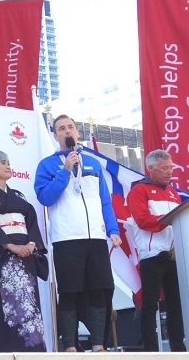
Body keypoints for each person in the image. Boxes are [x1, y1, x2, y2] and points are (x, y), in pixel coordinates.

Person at [34, 114, 121, 353]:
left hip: (96, 237)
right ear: (55, 136)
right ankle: (70, 345)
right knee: (69, 292)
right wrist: (65, 171)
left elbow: (105, 201)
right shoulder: (47, 165)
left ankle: (98, 344)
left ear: (77, 132)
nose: (67, 131)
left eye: (70, 127)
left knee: (99, 290)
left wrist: (112, 230)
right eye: (61, 129)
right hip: (67, 238)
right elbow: (45, 197)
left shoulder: (92, 163)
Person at [0, 150, 47, 352]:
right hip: (3, 257)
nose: (8, 166)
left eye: (8, 162)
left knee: (29, 304)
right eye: (2, 162)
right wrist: (10, 246)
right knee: (5, 305)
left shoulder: (18, 196)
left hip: (26, 256)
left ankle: (34, 352)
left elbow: (31, 220)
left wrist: (31, 244)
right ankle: (7, 351)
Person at [127, 149, 186, 352]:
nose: (170, 172)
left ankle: (178, 348)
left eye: (171, 168)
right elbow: (143, 220)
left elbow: (179, 224)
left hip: (173, 255)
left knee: (176, 304)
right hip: (151, 254)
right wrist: (168, 220)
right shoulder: (138, 190)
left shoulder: (173, 193)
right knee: (150, 304)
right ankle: (151, 350)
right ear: (150, 168)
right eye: (164, 168)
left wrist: (177, 247)